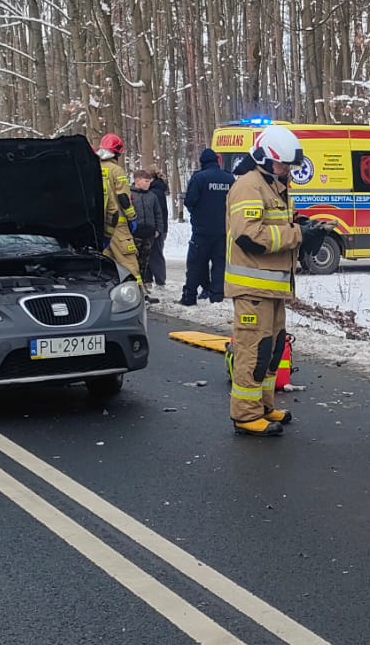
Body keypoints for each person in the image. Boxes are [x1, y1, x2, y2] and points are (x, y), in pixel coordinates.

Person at [224, 124, 312, 436]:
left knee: (272, 350)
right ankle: (245, 415)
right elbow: (249, 235)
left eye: (288, 165)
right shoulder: (249, 186)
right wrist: (298, 234)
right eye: (281, 164)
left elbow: (274, 225)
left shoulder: (274, 186)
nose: (286, 169)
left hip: (271, 288)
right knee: (253, 351)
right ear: (263, 158)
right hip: (252, 289)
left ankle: (263, 404)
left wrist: (304, 227)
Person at [181, 148, 235, 305]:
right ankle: (217, 296)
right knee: (219, 264)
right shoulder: (229, 178)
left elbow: (190, 200)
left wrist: (197, 213)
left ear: (202, 162)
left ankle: (189, 296)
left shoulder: (199, 178)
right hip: (223, 230)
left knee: (196, 263)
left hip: (202, 231)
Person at [97, 134, 144, 280]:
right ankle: (138, 294)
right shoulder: (116, 170)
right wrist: (132, 217)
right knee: (128, 261)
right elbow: (123, 197)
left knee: (106, 259)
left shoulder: (94, 168)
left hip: (100, 223)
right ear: (118, 151)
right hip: (118, 224)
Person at [130, 167, 168, 291]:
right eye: (146, 181)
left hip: (149, 233)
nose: (148, 184)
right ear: (138, 181)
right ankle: (135, 284)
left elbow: (158, 213)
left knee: (145, 261)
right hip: (135, 233)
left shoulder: (152, 196)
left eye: (149, 181)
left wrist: (159, 229)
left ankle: (145, 284)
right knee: (133, 261)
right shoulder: (130, 196)